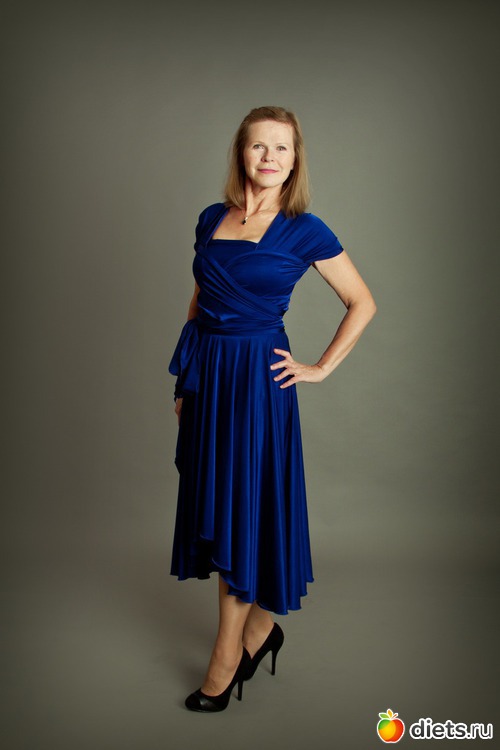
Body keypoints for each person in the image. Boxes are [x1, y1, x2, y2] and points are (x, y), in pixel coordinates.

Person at [168, 105, 376, 712]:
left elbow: (362, 302)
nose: (268, 157)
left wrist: (320, 367)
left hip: (259, 384)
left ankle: (227, 657)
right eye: (258, 145)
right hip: (211, 379)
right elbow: (200, 299)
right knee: (226, 506)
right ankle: (261, 629)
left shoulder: (305, 228)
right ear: (242, 152)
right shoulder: (211, 217)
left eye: (281, 148)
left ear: (294, 159)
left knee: (243, 510)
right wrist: (184, 383)